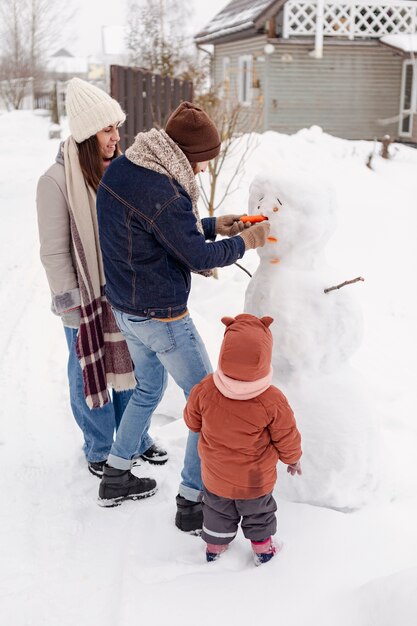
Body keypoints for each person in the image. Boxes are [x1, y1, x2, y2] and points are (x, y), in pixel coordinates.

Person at [96, 101, 270, 521]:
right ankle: (192, 501)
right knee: (209, 403)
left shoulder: (127, 167)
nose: (205, 170)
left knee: (148, 390)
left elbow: (157, 230)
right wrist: (249, 241)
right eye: (203, 161)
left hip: (125, 308)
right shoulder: (165, 192)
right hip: (161, 317)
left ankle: (116, 475)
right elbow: (190, 252)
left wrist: (214, 224)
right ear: (185, 155)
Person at [36, 78, 154, 483]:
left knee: (129, 366)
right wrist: (71, 304)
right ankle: (100, 447)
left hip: (122, 292)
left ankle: (134, 439)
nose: (116, 138)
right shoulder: (55, 181)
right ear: (88, 134)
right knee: (91, 372)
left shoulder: (119, 173)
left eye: (117, 128)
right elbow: (53, 251)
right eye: (108, 129)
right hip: (83, 300)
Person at [184, 314, 302, 565]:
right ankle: (263, 550)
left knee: (216, 510)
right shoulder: (272, 400)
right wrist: (292, 459)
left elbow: (192, 421)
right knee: (259, 513)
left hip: (216, 474)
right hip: (255, 480)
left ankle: (215, 546)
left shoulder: (206, 388)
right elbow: (286, 435)